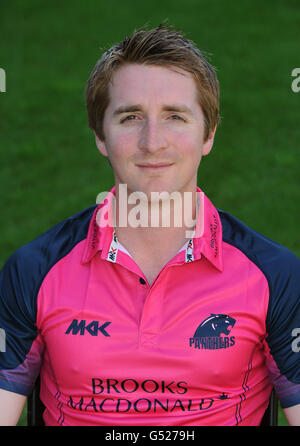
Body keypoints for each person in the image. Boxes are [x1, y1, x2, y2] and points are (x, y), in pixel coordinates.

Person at [0, 24, 299, 426]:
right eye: (130, 117)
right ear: (100, 136)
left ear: (208, 134)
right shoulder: (33, 271)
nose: (152, 141)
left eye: (175, 116)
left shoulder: (276, 277)